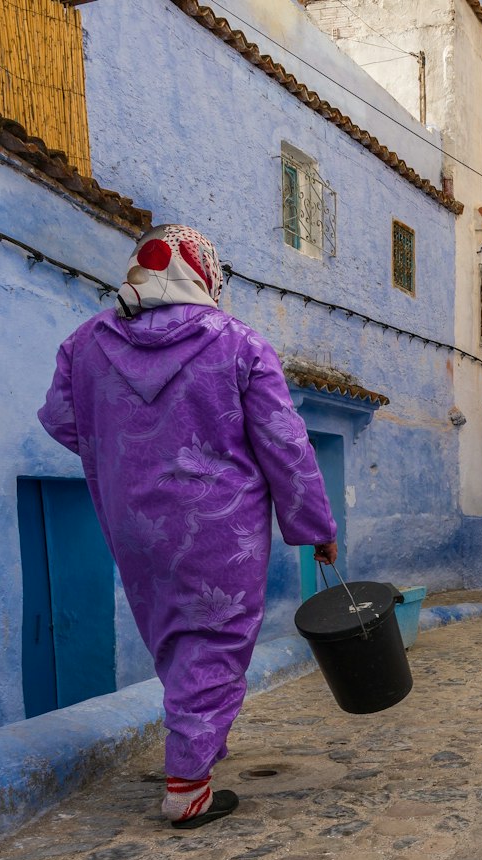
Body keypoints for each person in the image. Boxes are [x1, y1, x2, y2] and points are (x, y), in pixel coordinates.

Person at [38, 224, 337, 828]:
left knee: (174, 636)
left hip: (135, 522)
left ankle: (201, 744)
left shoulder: (84, 344)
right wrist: (314, 526)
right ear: (203, 274)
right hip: (221, 525)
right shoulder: (238, 344)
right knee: (217, 638)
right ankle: (188, 786)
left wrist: (127, 456)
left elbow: (61, 421)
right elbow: (285, 444)